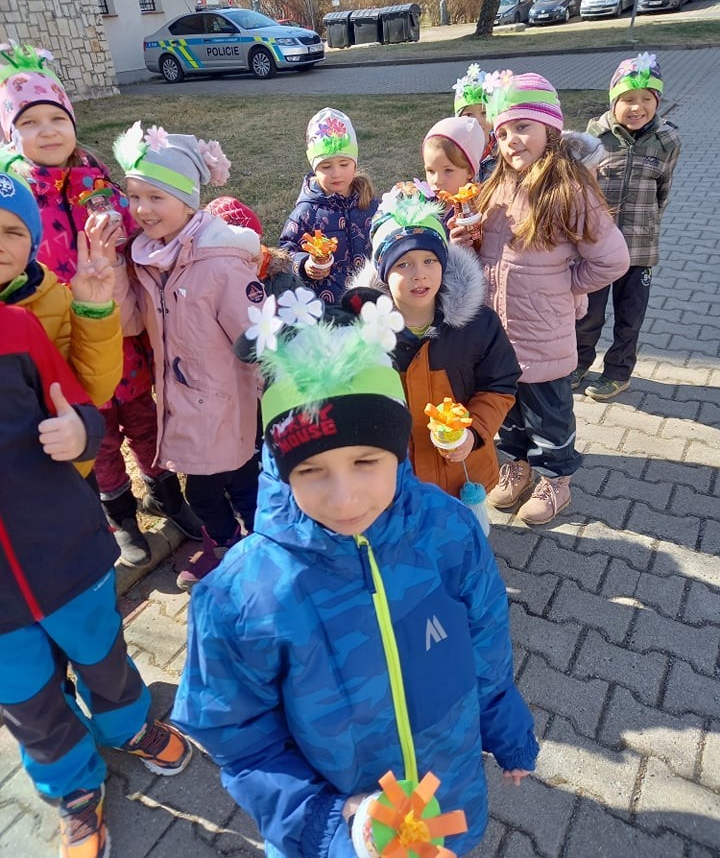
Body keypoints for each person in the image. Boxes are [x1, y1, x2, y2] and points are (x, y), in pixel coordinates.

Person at [171, 294, 539, 858]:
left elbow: (485, 637)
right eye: (311, 470)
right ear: (280, 470)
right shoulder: (241, 594)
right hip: (339, 832)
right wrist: (326, 821)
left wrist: (503, 720)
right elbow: (237, 737)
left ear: (400, 452)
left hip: (449, 799)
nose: (344, 498)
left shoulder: (447, 531)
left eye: (366, 462)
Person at [0, 303, 191, 858]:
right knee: (28, 701)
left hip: (69, 556)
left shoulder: (16, 328)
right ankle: (73, 785)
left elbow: (83, 412)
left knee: (103, 656)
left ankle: (125, 725)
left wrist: (78, 433)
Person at [0, 40, 200, 566]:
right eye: (29, 122)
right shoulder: (14, 197)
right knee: (101, 436)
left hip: (124, 333)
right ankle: (119, 514)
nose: (47, 131)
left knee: (145, 419)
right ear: (9, 133)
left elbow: (144, 232)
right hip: (62, 344)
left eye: (56, 118)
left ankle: (164, 491)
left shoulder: (98, 180)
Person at [450, 71, 630, 526]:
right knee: (507, 410)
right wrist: (466, 242)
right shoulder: (496, 185)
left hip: (544, 333)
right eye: (502, 132)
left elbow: (613, 260)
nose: (511, 140)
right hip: (498, 335)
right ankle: (517, 465)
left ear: (550, 128)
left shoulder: (570, 191)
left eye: (523, 127)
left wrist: (567, 285)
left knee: (549, 413)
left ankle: (556, 479)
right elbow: (491, 252)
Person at [112, 123, 264, 589]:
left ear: (188, 201)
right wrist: (113, 269)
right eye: (134, 197)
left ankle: (246, 552)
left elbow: (259, 338)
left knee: (230, 488)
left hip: (228, 406)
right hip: (184, 405)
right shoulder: (148, 259)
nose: (142, 209)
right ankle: (236, 547)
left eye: (155, 197)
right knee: (217, 488)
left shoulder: (220, 264)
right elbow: (131, 324)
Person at [349, 185, 520, 496]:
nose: (419, 274)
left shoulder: (477, 324)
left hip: (462, 474)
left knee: (464, 526)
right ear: (383, 272)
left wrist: (473, 431)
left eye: (429, 260)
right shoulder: (365, 336)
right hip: (397, 483)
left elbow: (499, 385)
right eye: (403, 264)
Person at [574, 52, 681, 400]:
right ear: (613, 101)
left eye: (646, 99)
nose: (637, 107)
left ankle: (618, 373)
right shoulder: (595, 137)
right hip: (596, 248)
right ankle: (578, 363)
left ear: (657, 101)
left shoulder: (667, 141)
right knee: (588, 314)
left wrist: (649, 227)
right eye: (628, 99)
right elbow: (581, 188)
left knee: (630, 316)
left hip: (639, 249)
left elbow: (663, 191)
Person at [0, 153, 122, 426]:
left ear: (33, 244)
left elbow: (91, 390)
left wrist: (94, 312)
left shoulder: (54, 300)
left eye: (13, 232)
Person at [278, 107, 378, 303]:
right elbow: (286, 250)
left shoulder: (370, 203)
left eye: (344, 164)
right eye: (326, 166)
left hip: (370, 296)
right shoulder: (307, 211)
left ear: (355, 164)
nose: (336, 173)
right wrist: (304, 264)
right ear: (314, 168)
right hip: (328, 302)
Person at [422, 116, 487, 226]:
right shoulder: (422, 202)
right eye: (430, 171)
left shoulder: (478, 209)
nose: (437, 180)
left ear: (469, 172)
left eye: (448, 170)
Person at [452, 63, 497, 180]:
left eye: (484, 113)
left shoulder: (503, 150)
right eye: (468, 115)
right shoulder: (454, 151)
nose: (477, 121)